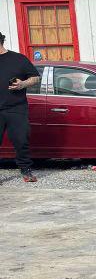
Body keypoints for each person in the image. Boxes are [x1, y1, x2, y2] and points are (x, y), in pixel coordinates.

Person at [0, 32, 42, 182]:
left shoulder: (18, 59)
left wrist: (22, 84)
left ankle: (26, 171)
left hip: (16, 108)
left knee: (21, 140)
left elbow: (36, 77)